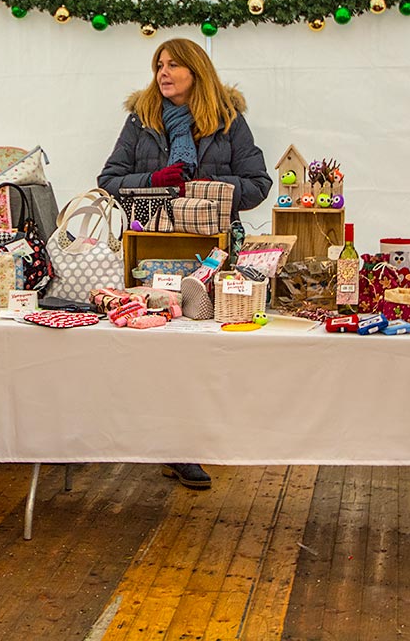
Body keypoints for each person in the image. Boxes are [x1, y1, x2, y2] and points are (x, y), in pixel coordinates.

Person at [98, 38, 272, 490]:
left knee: (203, 353)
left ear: (197, 71)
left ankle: (204, 438)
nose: (163, 72)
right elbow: (109, 180)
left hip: (212, 258)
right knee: (162, 352)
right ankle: (174, 445)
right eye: (159, 64)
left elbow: (258, 184)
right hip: (149, 257)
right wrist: (154, 180)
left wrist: (208, 184)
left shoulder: (228, 120)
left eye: (174, 64)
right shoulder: (142, 119)